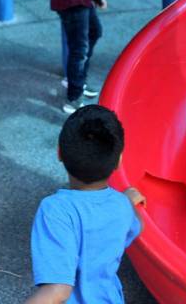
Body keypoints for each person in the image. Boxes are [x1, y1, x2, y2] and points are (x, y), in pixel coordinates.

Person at [26, 105, 145, 304]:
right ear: (119, 161)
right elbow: (138, 225)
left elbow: (58, 290)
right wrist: (126, 202)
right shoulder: (123, 206)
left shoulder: (55, 210)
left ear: (59, 153)